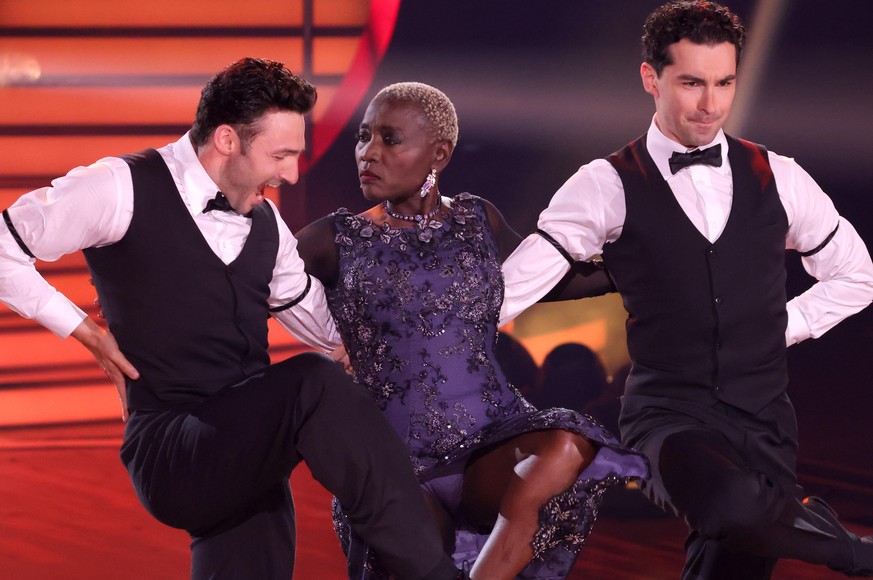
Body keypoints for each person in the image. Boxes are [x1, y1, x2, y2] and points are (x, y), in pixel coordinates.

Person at [0, 57, 465, 580]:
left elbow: (329, 328)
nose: (290, 173)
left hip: (246, 453)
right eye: (281, 155)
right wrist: (85, 332)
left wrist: (434, 315)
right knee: (312, 381)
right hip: (174, 448)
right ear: (226, 140)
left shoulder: (270, 228)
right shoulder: (119, 187)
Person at [500, 2, 873, 578]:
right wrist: (421, 334)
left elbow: (856, 275)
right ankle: (855, 553)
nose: (712, 104)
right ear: (651, 79)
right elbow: (519, 280)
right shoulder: (605, 184)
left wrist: (781, 326)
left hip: (764, 419)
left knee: (732, 558)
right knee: (730, 505)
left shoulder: (780, 176)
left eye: (725, 83)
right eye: (692, 83)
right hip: (668, 417)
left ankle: (795, 519)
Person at [295, 82, 649, 580]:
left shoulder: (476, 218)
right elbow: (248, 285)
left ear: (439, 153)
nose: (368, 152)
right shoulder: (334, 238)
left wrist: (641, 269)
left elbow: (548, 281)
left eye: (390, 139)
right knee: (420, 558)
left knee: (566, 444)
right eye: (363, 136)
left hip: (490, 442)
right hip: (394, 464)